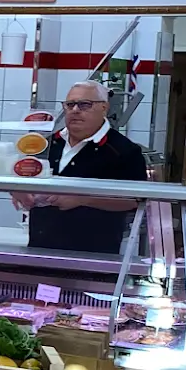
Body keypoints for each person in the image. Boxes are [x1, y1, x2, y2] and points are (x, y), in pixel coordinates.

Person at [15, 80, 148, 254]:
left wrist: (82, 199)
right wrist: (17, 190)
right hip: (40, 251)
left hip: (92, 257)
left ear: (104, 108)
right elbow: (22, 174)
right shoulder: (47, 144)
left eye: (85, 104)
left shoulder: (124, 150)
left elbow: (134, 200)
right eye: (70, 105)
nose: (75, 110)